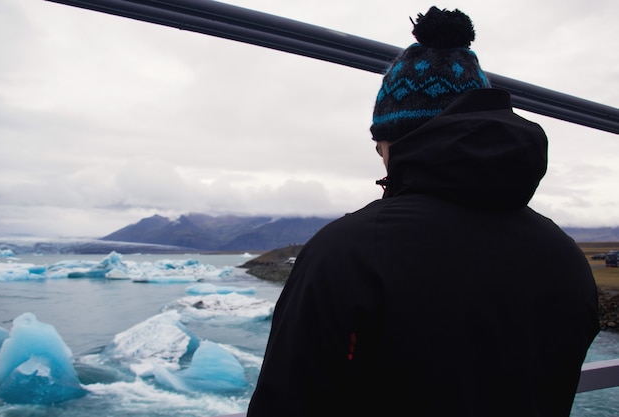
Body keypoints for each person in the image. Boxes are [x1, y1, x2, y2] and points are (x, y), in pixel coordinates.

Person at [247, 6, 599, 417]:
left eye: (378, 145)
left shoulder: (348, 251)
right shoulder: (565, 254)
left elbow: (286, 398)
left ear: (394, 142)